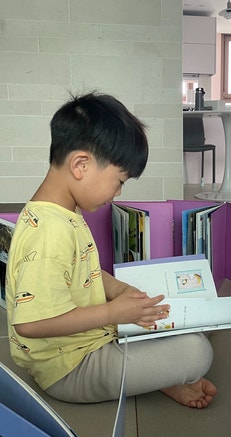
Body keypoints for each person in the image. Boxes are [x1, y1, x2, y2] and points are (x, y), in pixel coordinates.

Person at [6, 92, 217, 409]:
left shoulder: (63, 210)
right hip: (71, 368)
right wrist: (112, 313)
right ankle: (162, 378)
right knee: (197, 352)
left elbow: (82, 270)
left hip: (95, 337)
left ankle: (156, 373)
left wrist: (118, 290)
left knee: (197, 323)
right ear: (80, 165)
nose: (117, 193)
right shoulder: (50, 232)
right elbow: (30, 324)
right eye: (119, 181)